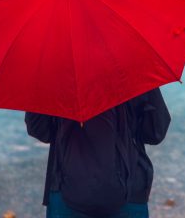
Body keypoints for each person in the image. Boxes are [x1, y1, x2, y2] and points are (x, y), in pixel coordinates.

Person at [25, 87, 171, 218]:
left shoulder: (54, 72)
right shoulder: (135, 67)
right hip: (129, 187)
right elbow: (155, 132)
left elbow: (40, 130)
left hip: (65, 186)